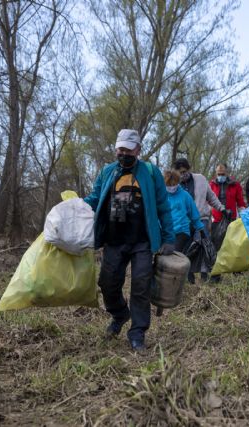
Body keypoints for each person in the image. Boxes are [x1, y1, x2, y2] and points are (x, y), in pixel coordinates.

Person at [84, 129, 175, 352]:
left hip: (142, 241)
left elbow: (163, 207)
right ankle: (119, 314)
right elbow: (95, 198)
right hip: (114, 240)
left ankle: (137, 333)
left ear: (138, 150)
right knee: (107, 283)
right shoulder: (107, 172)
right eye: (120, 149)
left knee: (141, 286)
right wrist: (75, 206)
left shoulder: (150, 173)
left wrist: (169, 237)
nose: (123, 153)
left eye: (128, 149)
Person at [173, 158, 224, 282]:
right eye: (179, 172)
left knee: (202, 245)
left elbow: (211, 196)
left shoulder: (200, 179)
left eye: (184, 171)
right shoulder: (174, 185)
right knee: (186, 249)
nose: (182, 174)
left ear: (189, 169)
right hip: (183, 222)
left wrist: (221, 208)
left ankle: (205, 275)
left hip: (201, 218)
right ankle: (189, 277)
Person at [163, 169, 205, 255]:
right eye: (169, 184)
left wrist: (201, 229)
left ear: (178, 182)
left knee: (173, 254)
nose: (171, 187)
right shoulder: (161, 196)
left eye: (173, 184)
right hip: (165, 232)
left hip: (181, 231)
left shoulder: (185, 195)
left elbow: (194, 214)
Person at [210, 163, 246, 249]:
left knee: (231, 245)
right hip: (216, 219)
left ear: (227, 173)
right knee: (216, 244)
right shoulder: (211, 185)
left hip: (231, 219)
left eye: (223, 174)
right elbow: (208, 201)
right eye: (219, 174)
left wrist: (244, 216)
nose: (221, 176)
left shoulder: (235, 185)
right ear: (216, 173)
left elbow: (240, 202)